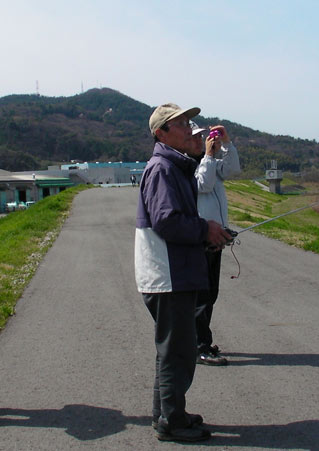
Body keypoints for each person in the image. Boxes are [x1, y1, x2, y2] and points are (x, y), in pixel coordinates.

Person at [135, 103, 232, 442]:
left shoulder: (175, 167)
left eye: (189, 121)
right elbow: (167, 221)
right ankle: (172, 422)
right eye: (181, 123)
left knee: (173, 350)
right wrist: (205, 230)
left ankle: (166, 413)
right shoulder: (163, 169)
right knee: (177, 352)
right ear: (161, 133)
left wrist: (207, 235)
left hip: (172, 273)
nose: (190, 128)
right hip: (167, 276)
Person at [190, 121, 241, 366]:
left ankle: (200, 341)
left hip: (215, 238)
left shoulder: (206, 161)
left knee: (211, 293)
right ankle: (199, 345)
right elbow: (204, 185)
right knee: (201, 296)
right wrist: (209, 156)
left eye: (202, 136)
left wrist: (227, 143)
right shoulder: (186, 165)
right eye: (195, 137)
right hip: (199, 238)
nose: (200, 141)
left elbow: (232, 170)